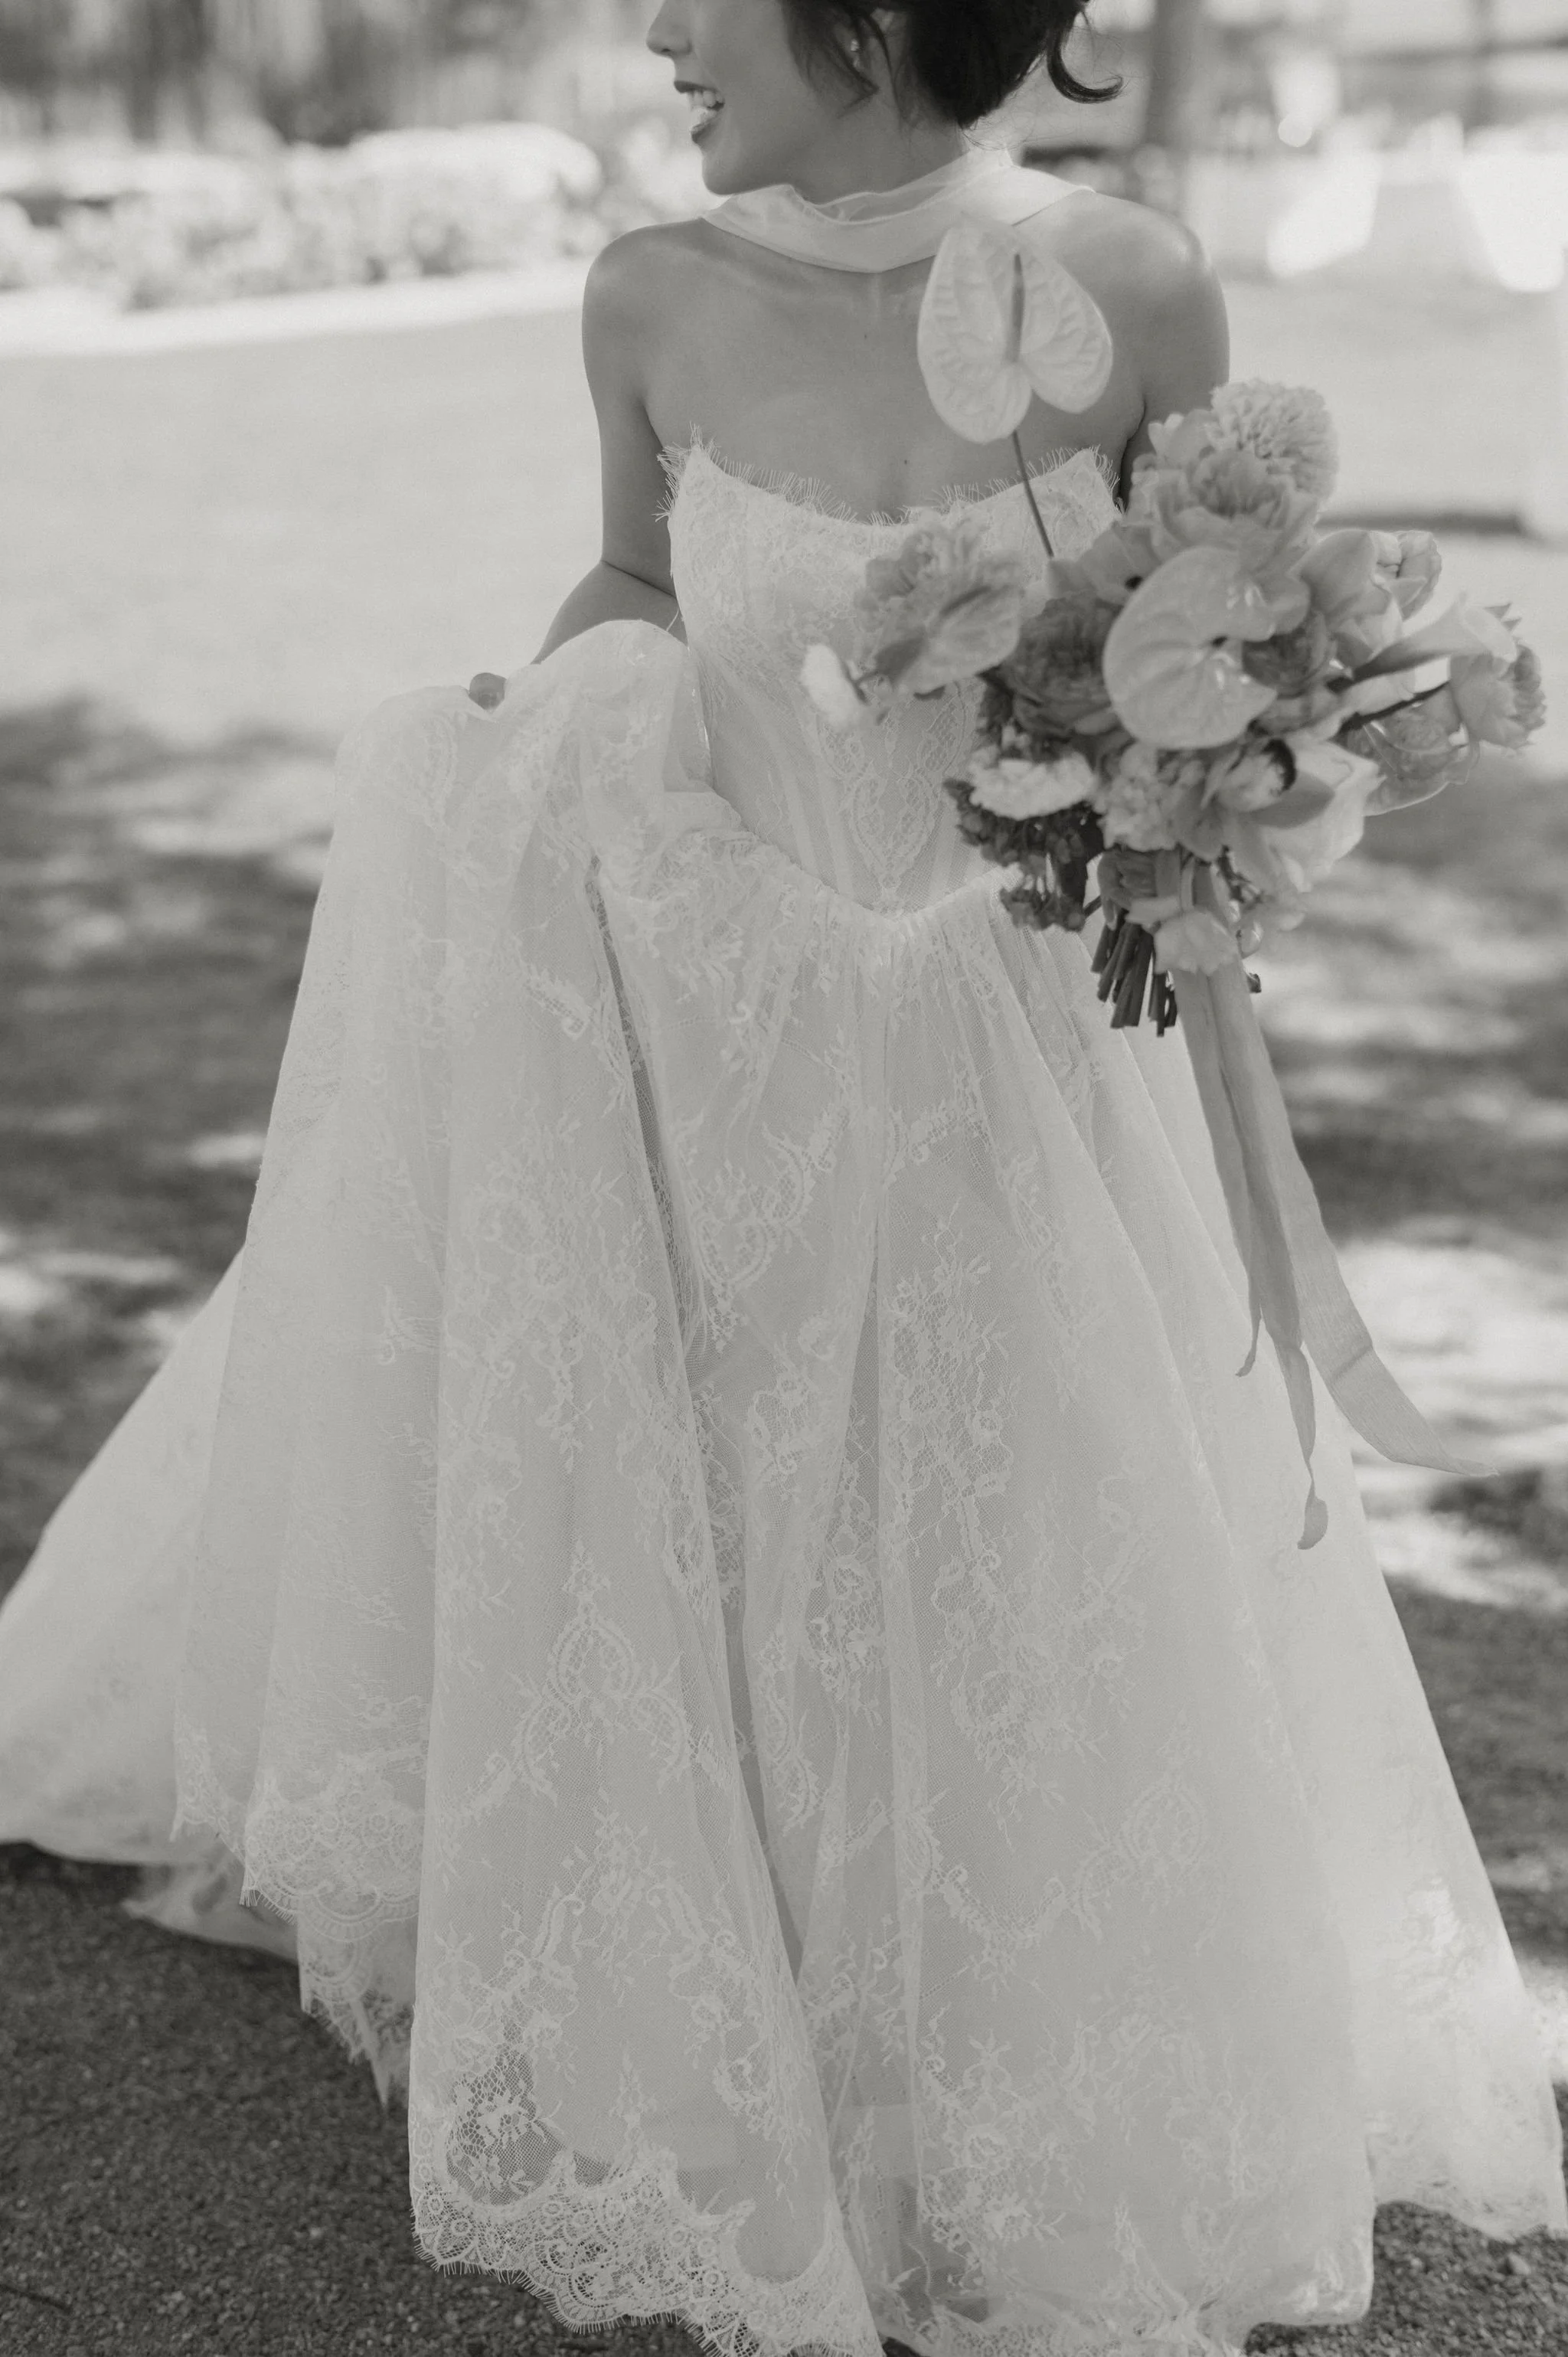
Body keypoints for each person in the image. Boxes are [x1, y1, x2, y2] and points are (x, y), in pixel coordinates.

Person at [1, 5, 1564, 2353]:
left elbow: (1195, 638)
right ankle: (729, 1942)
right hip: (713, 1009)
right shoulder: (647, 292)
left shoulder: (1135, 288)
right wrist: (515, 746)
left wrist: (1230, 778)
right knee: (718, 1503)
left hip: (1010, 1041)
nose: (655, 28)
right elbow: (639, 579)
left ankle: (1002, 1993)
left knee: (1019, 1503)